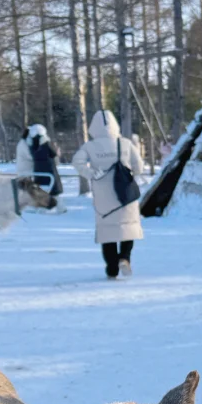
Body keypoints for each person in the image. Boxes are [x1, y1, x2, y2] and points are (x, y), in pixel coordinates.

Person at [73, 110, 144, 279]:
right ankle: (125, 258)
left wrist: (91, 173)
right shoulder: (125, 143)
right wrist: (131, 174)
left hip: (103, 196)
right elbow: (139, 166)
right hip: (124, 193)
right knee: (128, 228)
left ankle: (112, 268)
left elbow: (77, 161)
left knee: (107, 233)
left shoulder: (90, 146)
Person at [28, 123, 63, 196]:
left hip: (38, 174)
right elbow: (54, 155)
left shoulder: (31, 146)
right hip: (50, 172)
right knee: (54, 195)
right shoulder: (46, 144)